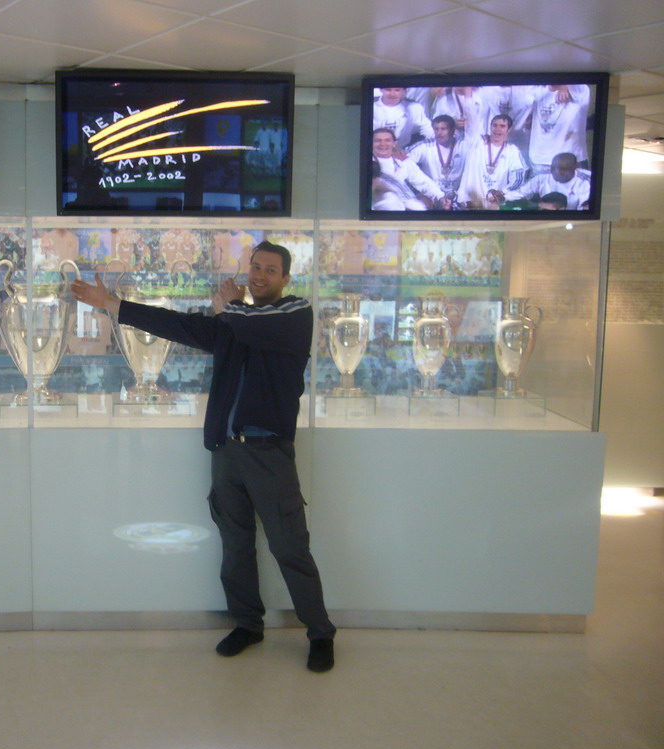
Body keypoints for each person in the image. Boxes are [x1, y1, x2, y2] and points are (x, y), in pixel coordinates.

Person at [70, 241, 337, 673]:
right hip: (227, 452)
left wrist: (230, 307)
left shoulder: (294, 313)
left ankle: (320, 632)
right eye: (255, 267)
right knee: (235, 549)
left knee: (290, 548)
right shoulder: (235, 319)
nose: (260, 275)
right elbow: (178, 325)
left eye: (271, 270)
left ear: (286, 278)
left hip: (269, 454)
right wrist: (113, 305)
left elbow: (255, 324)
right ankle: (248, 624)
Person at [371, 128, 451, 211]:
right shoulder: (367, 164)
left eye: (387, 140)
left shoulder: (403, 161)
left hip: (409, 210)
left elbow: (423, 182)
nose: (382, 144)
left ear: (394, 144)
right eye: (378, 141)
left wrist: (440, 197)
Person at [460, 114, 529, 209]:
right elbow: (471, 125)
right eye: (495, 125)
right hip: (470, 203)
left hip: (494, 206)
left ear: (509, 130)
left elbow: (517, 180)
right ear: (490, 127)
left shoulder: (512, 151)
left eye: (502, 126)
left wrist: (501, 194)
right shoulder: (477, 142)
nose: (497, 129)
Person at [407, 114, 467, 203]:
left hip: (459, 195)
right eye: (436, 129)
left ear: (452, 130)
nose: (439, 133)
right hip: (432, 196)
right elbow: (404, 162)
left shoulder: (463, 145)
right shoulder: (424, 146)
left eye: (443, 129)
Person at [504, 152, 591, 210]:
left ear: (574, 168)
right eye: (553, 168)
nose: (556, 172)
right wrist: (501, 196)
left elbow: (585, 210)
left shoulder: (586, 181)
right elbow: (519, 194)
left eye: (563, 170)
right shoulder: (542, 178)